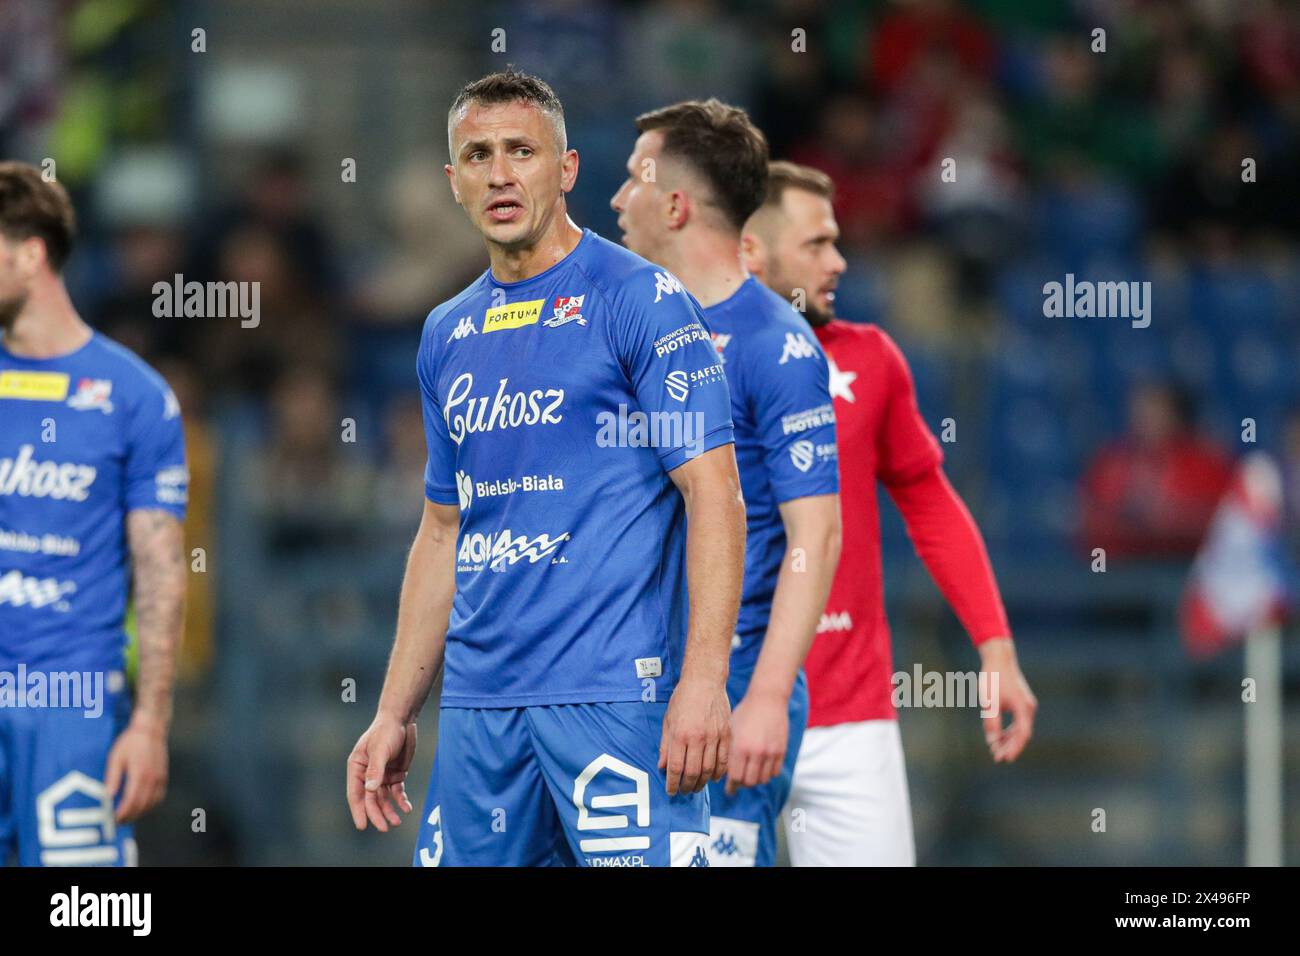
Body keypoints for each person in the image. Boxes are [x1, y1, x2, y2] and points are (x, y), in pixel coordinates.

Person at [345, 70, 746, 867]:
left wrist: (704, 679)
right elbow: (441, 530)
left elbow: (714, 491)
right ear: (452, 180)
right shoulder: (445, 333)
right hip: (481, 710)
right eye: (478, 155)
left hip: (615, 699)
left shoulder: (640, 300)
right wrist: (396, 710)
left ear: (564, 170)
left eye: (522, 151)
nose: (500, 173)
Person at [742, 160, 1036, 866]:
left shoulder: (871, 360)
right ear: (754, 250)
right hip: (720, 714)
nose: (839, 261)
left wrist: (995, 646)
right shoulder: (686, 364)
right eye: (816, 244)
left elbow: (930, 503)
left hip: (853, 721)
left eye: (836, 241)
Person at [611, 102, 842, 867]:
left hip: (735, 676)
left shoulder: (776, 342)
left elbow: (818, 533)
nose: (617, 199)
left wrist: (770, 694)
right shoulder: (630, 333)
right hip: (637, 676)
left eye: (632, 178)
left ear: (674, 205)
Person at [0, 161, 188, 866]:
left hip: (72, 705)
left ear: (30, 253)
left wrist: (149, 723)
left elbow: (162, 568)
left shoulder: (133, 397)